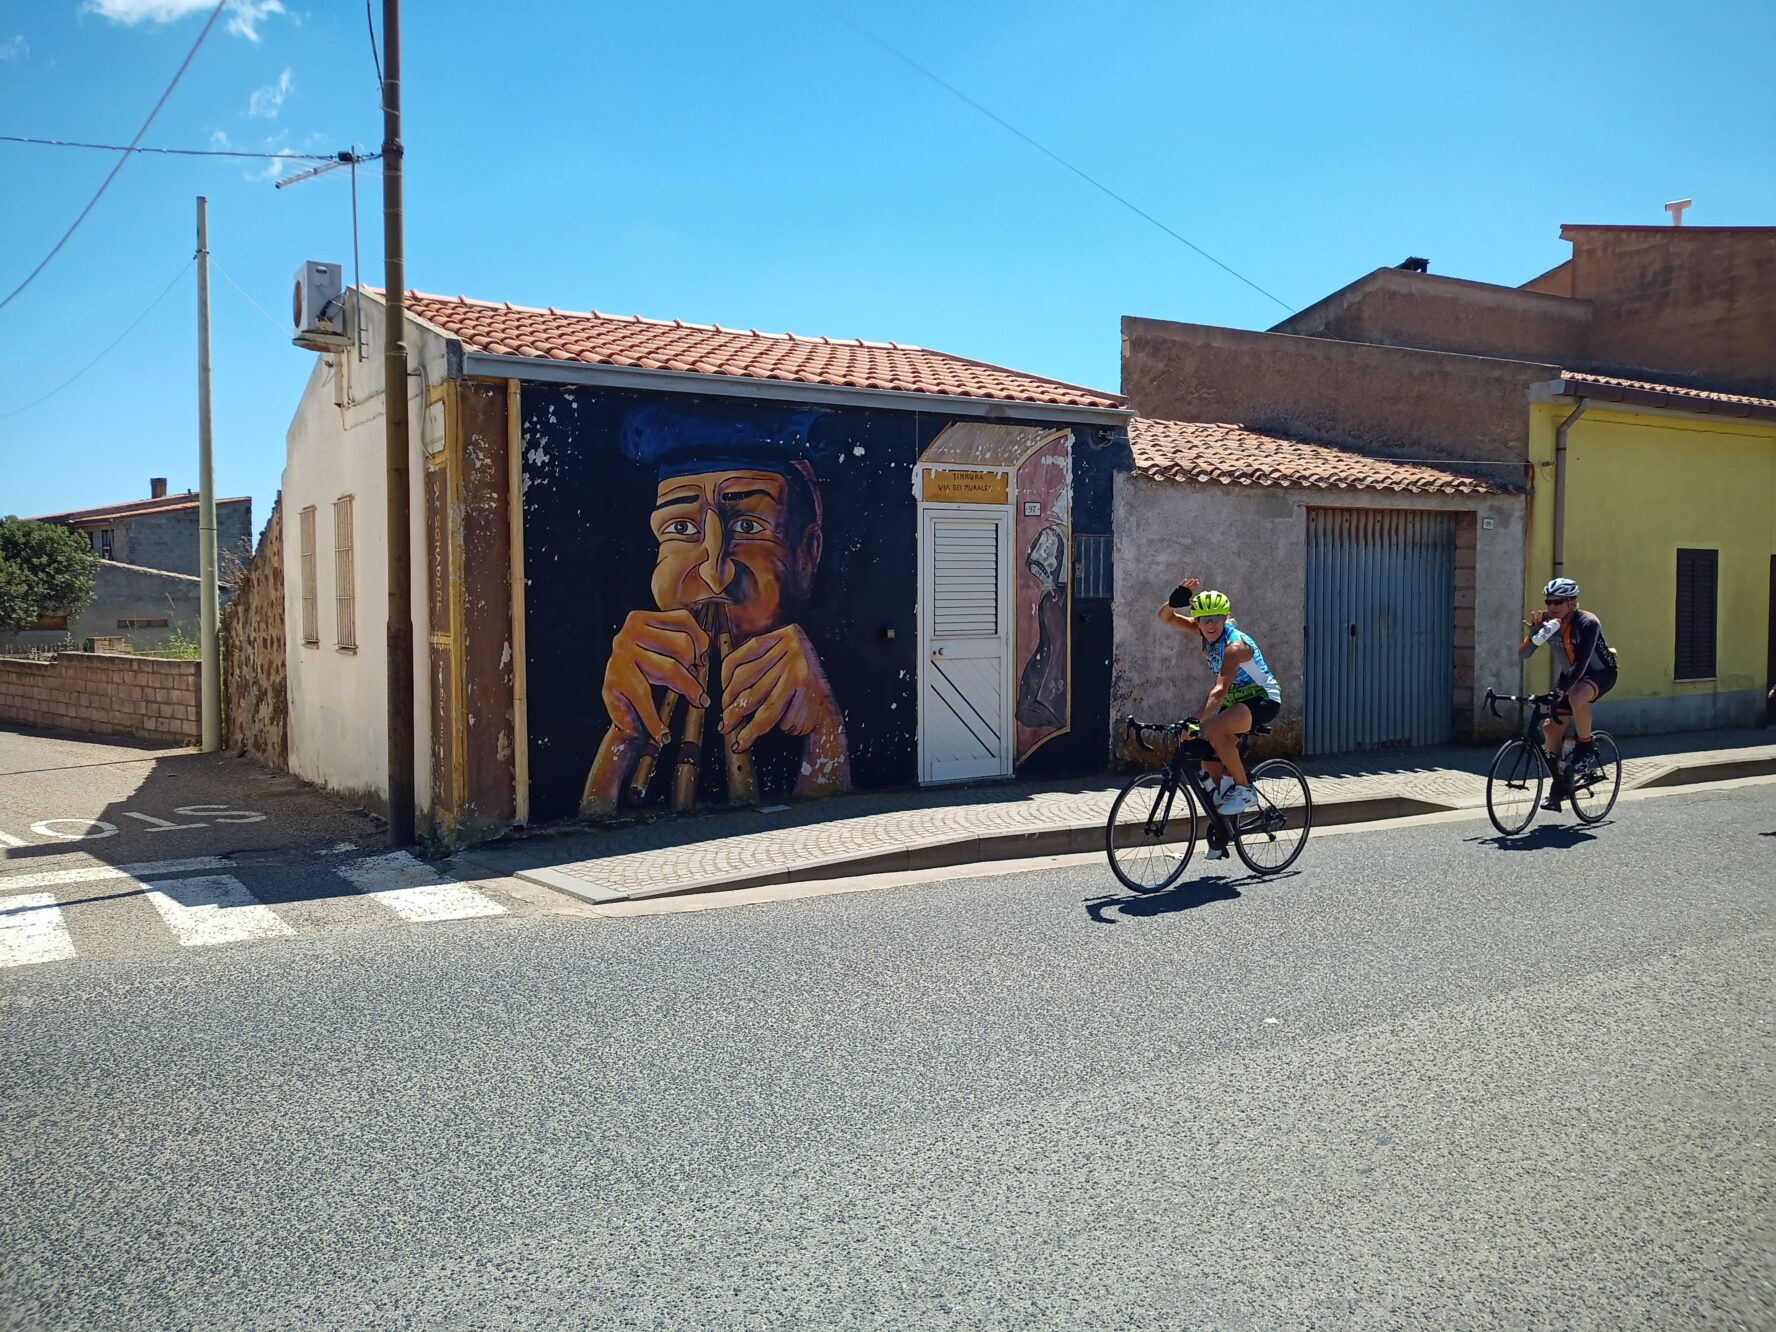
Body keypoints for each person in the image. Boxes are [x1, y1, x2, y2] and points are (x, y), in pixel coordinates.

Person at [582, 405, 850, 815]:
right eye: (681, 529)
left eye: (748, 527)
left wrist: (824, 731)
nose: (714, 573)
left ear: (806, 556)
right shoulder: (644, 686)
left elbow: (828, 826)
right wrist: (623, 736)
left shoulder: (823, 678)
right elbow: (592, 828)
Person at [1157, 578, 1283, 855]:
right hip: (1236, 703)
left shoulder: (1234, 647)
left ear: (1226, 618)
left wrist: (1194, 719)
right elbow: (1165, 617)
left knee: (1213, 729)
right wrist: (1174, 601)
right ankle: (1222, 831)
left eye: (1216, 618)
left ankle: (1244, 788)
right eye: (1203, 619)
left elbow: (1219, 691)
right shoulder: (1204, 631)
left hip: (1262, 699)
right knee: (1209, 766)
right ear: (1198, 620)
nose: (1210, 624)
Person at [1519, 576, 1616, 811]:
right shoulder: (1547, 621)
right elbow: (1523, 654)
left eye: (1557, 602)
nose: (1551, 607)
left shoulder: (1588, 623)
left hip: (1599, 674)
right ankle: (1560, 781)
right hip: (1570, 677)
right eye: (1548, 601)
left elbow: (1582, 664)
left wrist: (1561, 690)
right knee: (1550, 729)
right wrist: (1533, 636)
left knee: (1576, 696)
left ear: (1572, 602)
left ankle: (1586, 746)